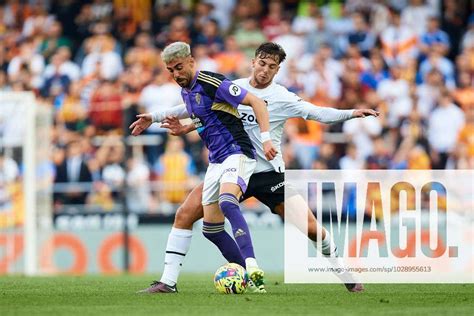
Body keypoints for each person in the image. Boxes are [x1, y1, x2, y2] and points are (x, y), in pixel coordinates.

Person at [130, 42, 378, 293]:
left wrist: (351, 112)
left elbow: (317, 113)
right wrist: (161, 117)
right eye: (262, 64)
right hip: (232, 165)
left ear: (277, 70)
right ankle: (169, 281)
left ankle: (344, 272)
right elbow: (202, 109)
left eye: (272, 67)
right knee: (185, 214)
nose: (265, 70)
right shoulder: (235, 87)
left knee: (311, 227)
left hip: (267, 173)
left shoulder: (282, 97)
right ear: (253, 62)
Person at [132, 41, 277, 293]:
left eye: (179, 67)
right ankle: (168, 282)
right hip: (217, 161)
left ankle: (252, 267)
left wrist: (266, 140)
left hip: (237, 154)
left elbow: (257, 102)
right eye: (170, 70)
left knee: (227, 202)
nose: (176, 74)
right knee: (197, 222)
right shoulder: (186, 91)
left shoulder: (213, 82)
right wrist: (157, 118)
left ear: (191, 61)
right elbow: (197, 113)